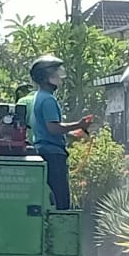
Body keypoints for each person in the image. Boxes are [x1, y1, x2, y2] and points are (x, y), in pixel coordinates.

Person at [27, 55, 92, 210]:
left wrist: (71, 134)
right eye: (55, 73)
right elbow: (53, 128)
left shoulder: (38, 97)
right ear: (44, 77)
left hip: (44, 151)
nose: (59, 77)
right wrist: (80, 124)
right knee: (60, 201)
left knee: (50, 199)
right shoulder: (48, 100)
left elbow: (45, 129)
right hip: (53, 154)